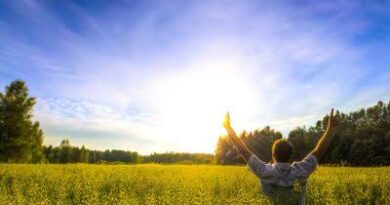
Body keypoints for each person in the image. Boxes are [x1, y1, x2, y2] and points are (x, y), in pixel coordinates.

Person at [223, 109, 337, 204]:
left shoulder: (264, 171)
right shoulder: (301, 170)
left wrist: (229, 129)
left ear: (273, 155)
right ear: (291, 156)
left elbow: (243, 150)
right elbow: (319, 150)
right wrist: (331, 128)